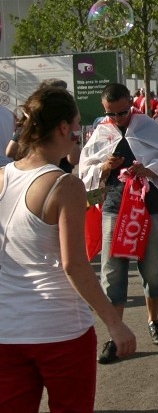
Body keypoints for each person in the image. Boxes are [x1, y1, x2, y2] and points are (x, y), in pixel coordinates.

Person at [0, 86, 136, 411]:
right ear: (63, 127)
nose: (79, 134)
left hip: (7, 332)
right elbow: (74, 265)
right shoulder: (65, 184)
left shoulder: (2, 177)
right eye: (76, 125)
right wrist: (114, 323)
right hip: (59, 330)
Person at [79, 83, 158, 364]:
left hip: (147, 206)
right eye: (112, 114)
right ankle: (114, 334)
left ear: (131, 104)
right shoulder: (102, 131)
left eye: (122, 112)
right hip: (113, 207)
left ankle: (153, 321)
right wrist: (105, 167)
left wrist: (148, 168)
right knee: (112, 273)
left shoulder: (148, 126)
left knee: (154, 268)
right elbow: (86, 168)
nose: (118, 118)